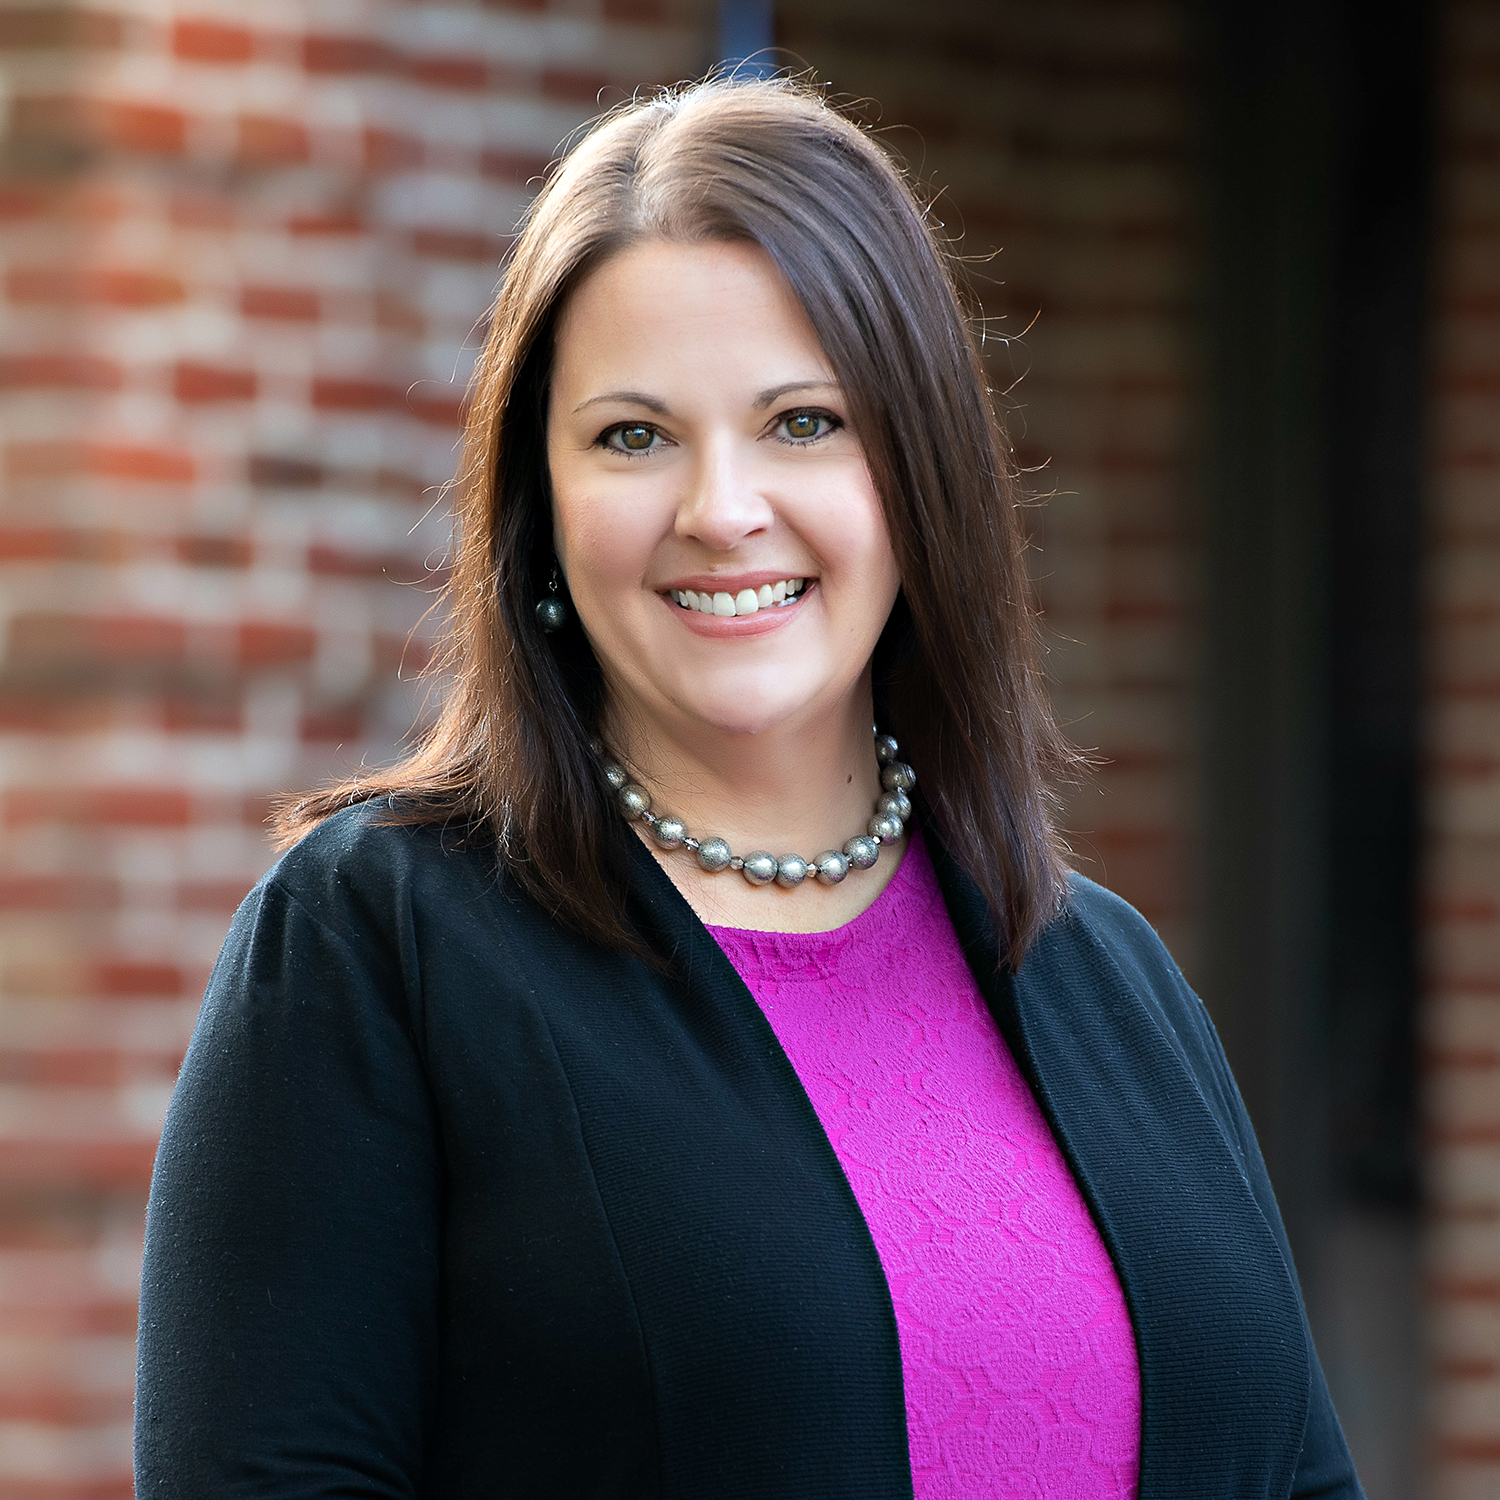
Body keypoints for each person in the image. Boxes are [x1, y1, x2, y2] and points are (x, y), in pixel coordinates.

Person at [134, 76, 1362, 1500]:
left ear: (921, 475)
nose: (722, 509)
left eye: (804, 422)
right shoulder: (376, 948)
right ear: (539, 507)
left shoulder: (1106, 975)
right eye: (633, 436)